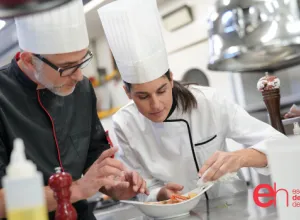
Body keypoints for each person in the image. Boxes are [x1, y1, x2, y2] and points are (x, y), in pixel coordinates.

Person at [98, 0, 288, 202]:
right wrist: (160, 194)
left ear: (171, 79)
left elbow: (280, 146)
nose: (155, 104)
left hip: (231, 206)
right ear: (127, 92)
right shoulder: (125, 124)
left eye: (161, 90)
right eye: (142, 96)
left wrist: (240, 157)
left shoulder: (208, 101)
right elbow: (143, 186)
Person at [0, 1, 147, 219]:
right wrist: (75, 190)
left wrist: (115, 186)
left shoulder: (82, 89)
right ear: (29, 60)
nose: (79, 76)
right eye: (67, 67)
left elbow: (94, 161)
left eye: (82, 61)